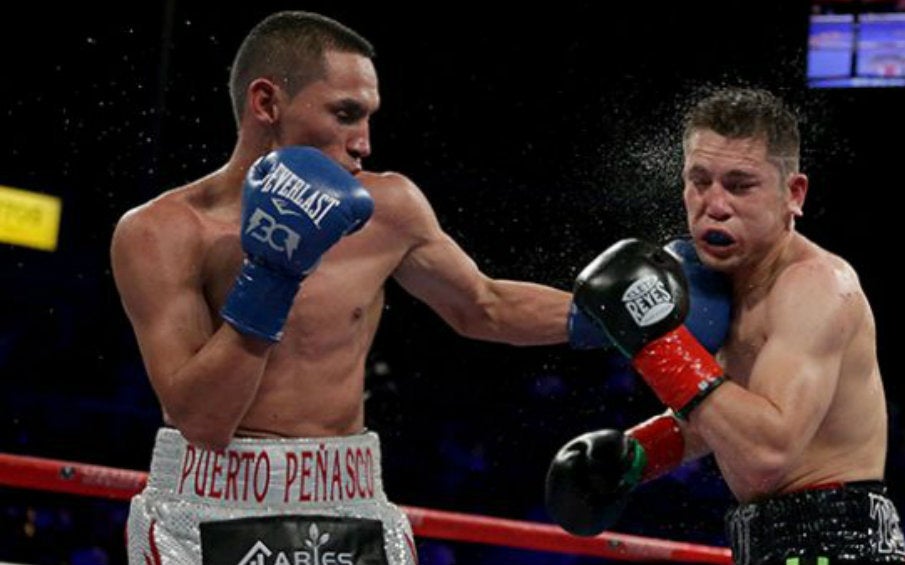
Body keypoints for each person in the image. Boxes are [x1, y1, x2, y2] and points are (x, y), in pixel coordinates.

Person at [110, 11, 603, 565]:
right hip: (209, 502)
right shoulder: (162, 232)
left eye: (368, 117)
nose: (364, 143)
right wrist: (274, 274)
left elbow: (484, 306)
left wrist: (617, 319)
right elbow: (201, 421)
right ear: (267, 103)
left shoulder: (389, 208)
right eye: (345, 115)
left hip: (346, 495)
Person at [546, 87, 905, 564]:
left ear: (793, 194)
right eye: (700, 181)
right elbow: (731, 420)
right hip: (776, 545)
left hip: (834, 547)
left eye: (740, 185)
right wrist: (639, 454)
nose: (715, 204)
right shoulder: (727, 289)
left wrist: (658, 344)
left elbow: (766, 455)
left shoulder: (815, 286)